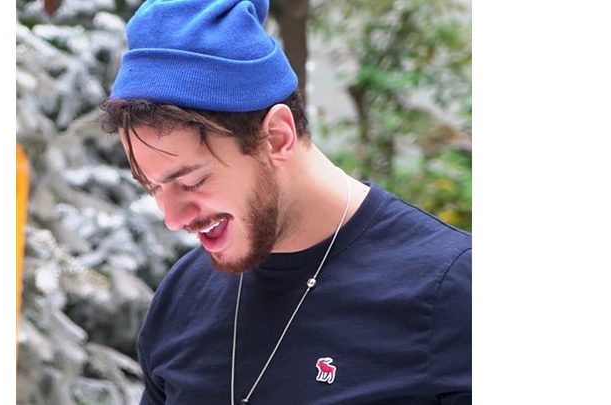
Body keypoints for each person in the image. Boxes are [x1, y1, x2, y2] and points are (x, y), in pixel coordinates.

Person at [99, 0, 471, 404]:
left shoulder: (453, 291)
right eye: (153, 188)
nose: (172, 218)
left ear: (277, 137)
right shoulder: (182, 296)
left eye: (192, 181)